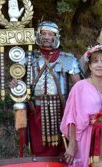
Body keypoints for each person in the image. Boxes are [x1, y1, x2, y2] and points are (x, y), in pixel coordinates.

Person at [11, 21, 81, 156]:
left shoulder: (68, 59)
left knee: (60, 146)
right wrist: (15, 83)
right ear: (38, 35)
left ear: (56, 37)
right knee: (37, 146)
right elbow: (17, 81)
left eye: (51, 34)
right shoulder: (27, 57)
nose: (47, 37)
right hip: (35, 108)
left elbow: (79, 87)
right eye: (43, 33)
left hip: (60, 109)